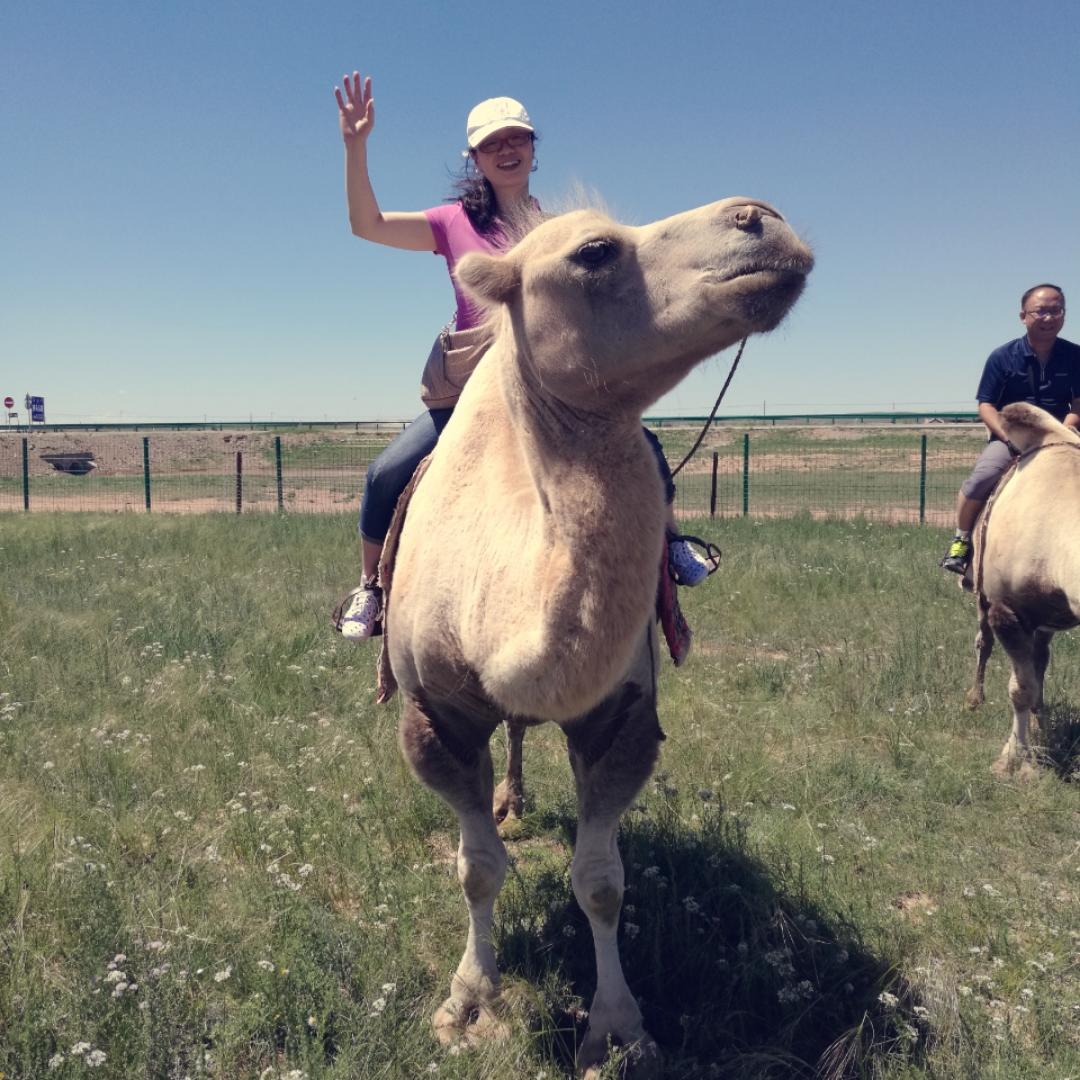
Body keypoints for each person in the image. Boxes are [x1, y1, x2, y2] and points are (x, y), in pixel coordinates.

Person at [332, 72, 716, 638]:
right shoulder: (450, 222)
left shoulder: (562, 230)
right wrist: (355, 147)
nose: (506, 150)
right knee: (385, 473)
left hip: (548, 387)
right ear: (476, 158)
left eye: (517, 139)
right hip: (469, 393)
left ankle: (672, 540)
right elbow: (368, 225)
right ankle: (372, 588)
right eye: (493, 143)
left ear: (534, 150)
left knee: (643, 448)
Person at [941, 284, 1080, 574]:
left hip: (1062, 434)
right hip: (1013, 436)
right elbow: (986, 405)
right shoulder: (1002, 357)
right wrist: (1007, 437)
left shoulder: (1075, 355)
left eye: (1056, 310)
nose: (1049, 317)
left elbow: (1078, 403)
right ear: (1023, 316)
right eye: (1041, 311)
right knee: (983, 477)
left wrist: (1066, 430)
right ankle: (961, 541)